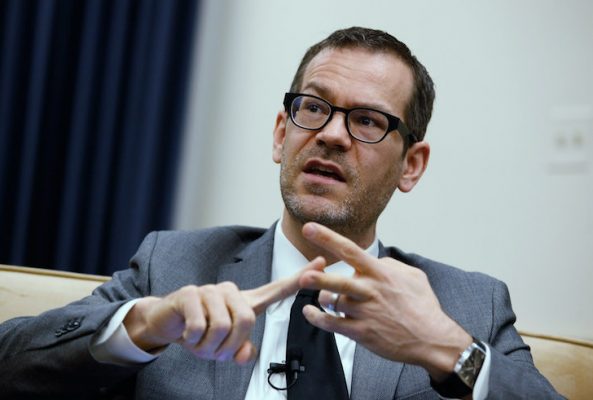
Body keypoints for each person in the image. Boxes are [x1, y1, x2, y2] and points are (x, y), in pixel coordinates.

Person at [0, 27, 561, 399]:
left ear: (410, 165)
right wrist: (144, 326)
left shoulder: (469, 304)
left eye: (368, 121)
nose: (332, 135)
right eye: (313, 108)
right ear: (281, 134)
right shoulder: (172, 265)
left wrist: (449, 351)